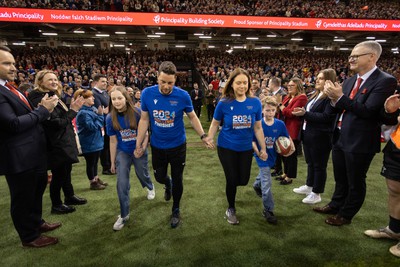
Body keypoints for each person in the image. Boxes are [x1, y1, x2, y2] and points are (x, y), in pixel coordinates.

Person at [314, 41, 397, 226]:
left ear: (371, 57)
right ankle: (336, 204)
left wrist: (339, 97)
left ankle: (346, 214)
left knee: (355, 180)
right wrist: (334, 100)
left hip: (360, 140)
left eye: (355, 56)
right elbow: (339, 108)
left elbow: (368, 111)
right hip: (340, 136)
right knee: (340, 176)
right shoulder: (350, 80)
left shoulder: (385, 80)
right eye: (350, 56)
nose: (350, 59)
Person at [135, 61, 209, 228]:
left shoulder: (182, 95)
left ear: (175, 80)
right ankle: (166, 184)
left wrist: (203, 135)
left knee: (178, 179)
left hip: (177, 146)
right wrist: (138, 143)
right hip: (157, 146)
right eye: (163, 82)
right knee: (160, 177)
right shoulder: (147, 94)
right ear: (157, 78)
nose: (166, 86)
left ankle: (176, 209)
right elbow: (144, 119)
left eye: (170, 82)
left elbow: (192, 117)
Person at [0, 45, 60, 248]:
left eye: (13, 63)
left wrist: (38, 109)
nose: (13, 67)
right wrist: (42, 111)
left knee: (36, 190)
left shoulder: (10, 87)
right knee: (23, 197)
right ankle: (29, 237)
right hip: (18, 156)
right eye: (6, 63)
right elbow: (13, 124)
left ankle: (36, 223)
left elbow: (23, 116)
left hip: (33, 153)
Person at [205, 68, 267, 225]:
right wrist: (210, 137)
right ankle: (231, 208)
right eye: (238, 82)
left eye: (245, 83)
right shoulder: (224, 103)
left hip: (246, 148)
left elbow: (258, 128)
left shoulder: (255, 103)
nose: (242, 86)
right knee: (231, 179)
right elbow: (215, 122)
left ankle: (237, 187)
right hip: (226, 147)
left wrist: (263, 148)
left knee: (243, 180)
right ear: (232, 84)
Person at [28, 70, 87, 214]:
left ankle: (69, 196)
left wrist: (71, 111)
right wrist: (73, 110)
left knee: (66, 171)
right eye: (50, 80)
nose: (54, 82)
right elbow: (56, 123)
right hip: (55, 144)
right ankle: (56, 204)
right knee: (59, 174)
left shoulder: (53, 95)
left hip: (63, 141)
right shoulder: (40, 98)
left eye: (55, 79)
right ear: (40, 82)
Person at [106, 86, 155, 231]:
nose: (116, 101)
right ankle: (124, 214)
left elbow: (146, 133)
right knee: (121, 183)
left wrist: (142, 147)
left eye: (119, 98)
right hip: (123, 152)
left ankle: (150, 186)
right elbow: (113, 141)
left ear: (126, 98)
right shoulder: (110, 118)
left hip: (139, 149)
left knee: (142, 173)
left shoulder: (138, 112)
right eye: (113, 99)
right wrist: (112, 161)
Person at [292, 69, 337, 204]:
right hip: (309, 133)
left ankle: (317, 193)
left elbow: (326, 117)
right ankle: (309, 185)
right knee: (310, 162)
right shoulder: (315, 95)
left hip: (321, 136)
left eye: (321, 78)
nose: (317, 80)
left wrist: (304, 114)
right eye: (317, 78)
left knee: (319, 165)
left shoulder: (331, 97)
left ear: (329, 80)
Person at [364, 93, 400, 257]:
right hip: (396, 146)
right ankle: (394, 229)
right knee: (394, 189)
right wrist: (389, 111)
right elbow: (389, 120)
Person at [253, 96, 290, 225]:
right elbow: (252, 140)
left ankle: (256, 185)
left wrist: (290, 148)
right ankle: (268, 210)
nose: (270, 113)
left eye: (272, 110)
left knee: (264, 177)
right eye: (267, 110)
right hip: (261, 156)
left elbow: (286, 140)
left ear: (276, 111)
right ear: (262, 110)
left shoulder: (280, 124)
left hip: (273, 156)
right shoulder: (258, 123)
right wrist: (258, 152)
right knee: (267, 183)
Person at [276, 77, 307, 185]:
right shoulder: (288, 97)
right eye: (288, 85)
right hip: (284, 128)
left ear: (298, 86)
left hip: (293, 129)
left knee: (290, 154)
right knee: (284, 152)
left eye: (291, 85)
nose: (289, 87)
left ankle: (289, 177)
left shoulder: (301, 97)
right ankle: (285, 173)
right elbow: (282, 110)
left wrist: (280, 105)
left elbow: (290, 113)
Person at [74, 89, 107, 190]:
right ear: (82, 99)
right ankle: (92, 182)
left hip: (95, 141)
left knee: (95, 162)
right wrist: (100, 116)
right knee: (91, 163)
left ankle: (96, 178)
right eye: (89, 97)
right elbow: (92, 127)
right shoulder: (83, 113)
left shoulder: (91, 109)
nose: (93, 98)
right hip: (90, 142)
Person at [91, 74, 112, 176]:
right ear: (96, 82)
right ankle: (106, 167)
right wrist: (106, 111)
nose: (105, 83)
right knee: (105, 146)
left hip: (108, 122)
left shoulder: (104, 93)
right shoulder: (94, 93)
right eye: (102, 81)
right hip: (101, 124)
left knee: (108, 145)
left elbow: (108, 108)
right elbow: (101, 110)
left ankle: (110, 165)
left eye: (106, 81)